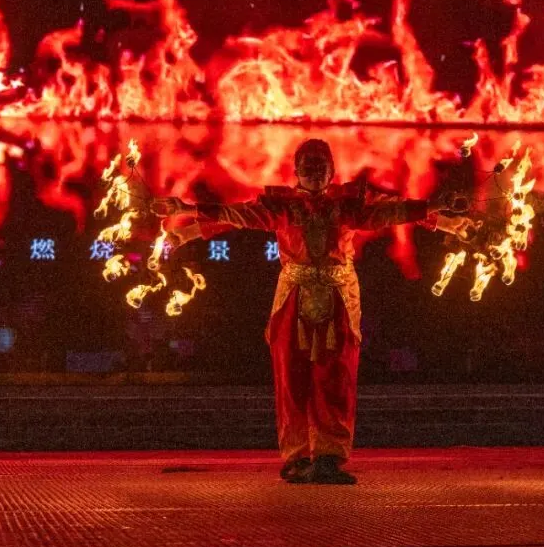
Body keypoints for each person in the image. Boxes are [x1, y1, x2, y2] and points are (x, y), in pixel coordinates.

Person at [152, 138, 471, 484]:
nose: (315, 173)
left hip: (339, 297)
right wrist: (185, 210)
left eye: (322, 167)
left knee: (335, 377)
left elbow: (393, 211)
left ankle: (328, 457)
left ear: (332, 171)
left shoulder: (348, 203)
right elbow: (237, 215)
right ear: (296, 171)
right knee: (291, 378)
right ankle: (298, 456)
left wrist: (441, 213)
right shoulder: (282, 205)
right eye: (309, 167)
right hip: (292, 296)